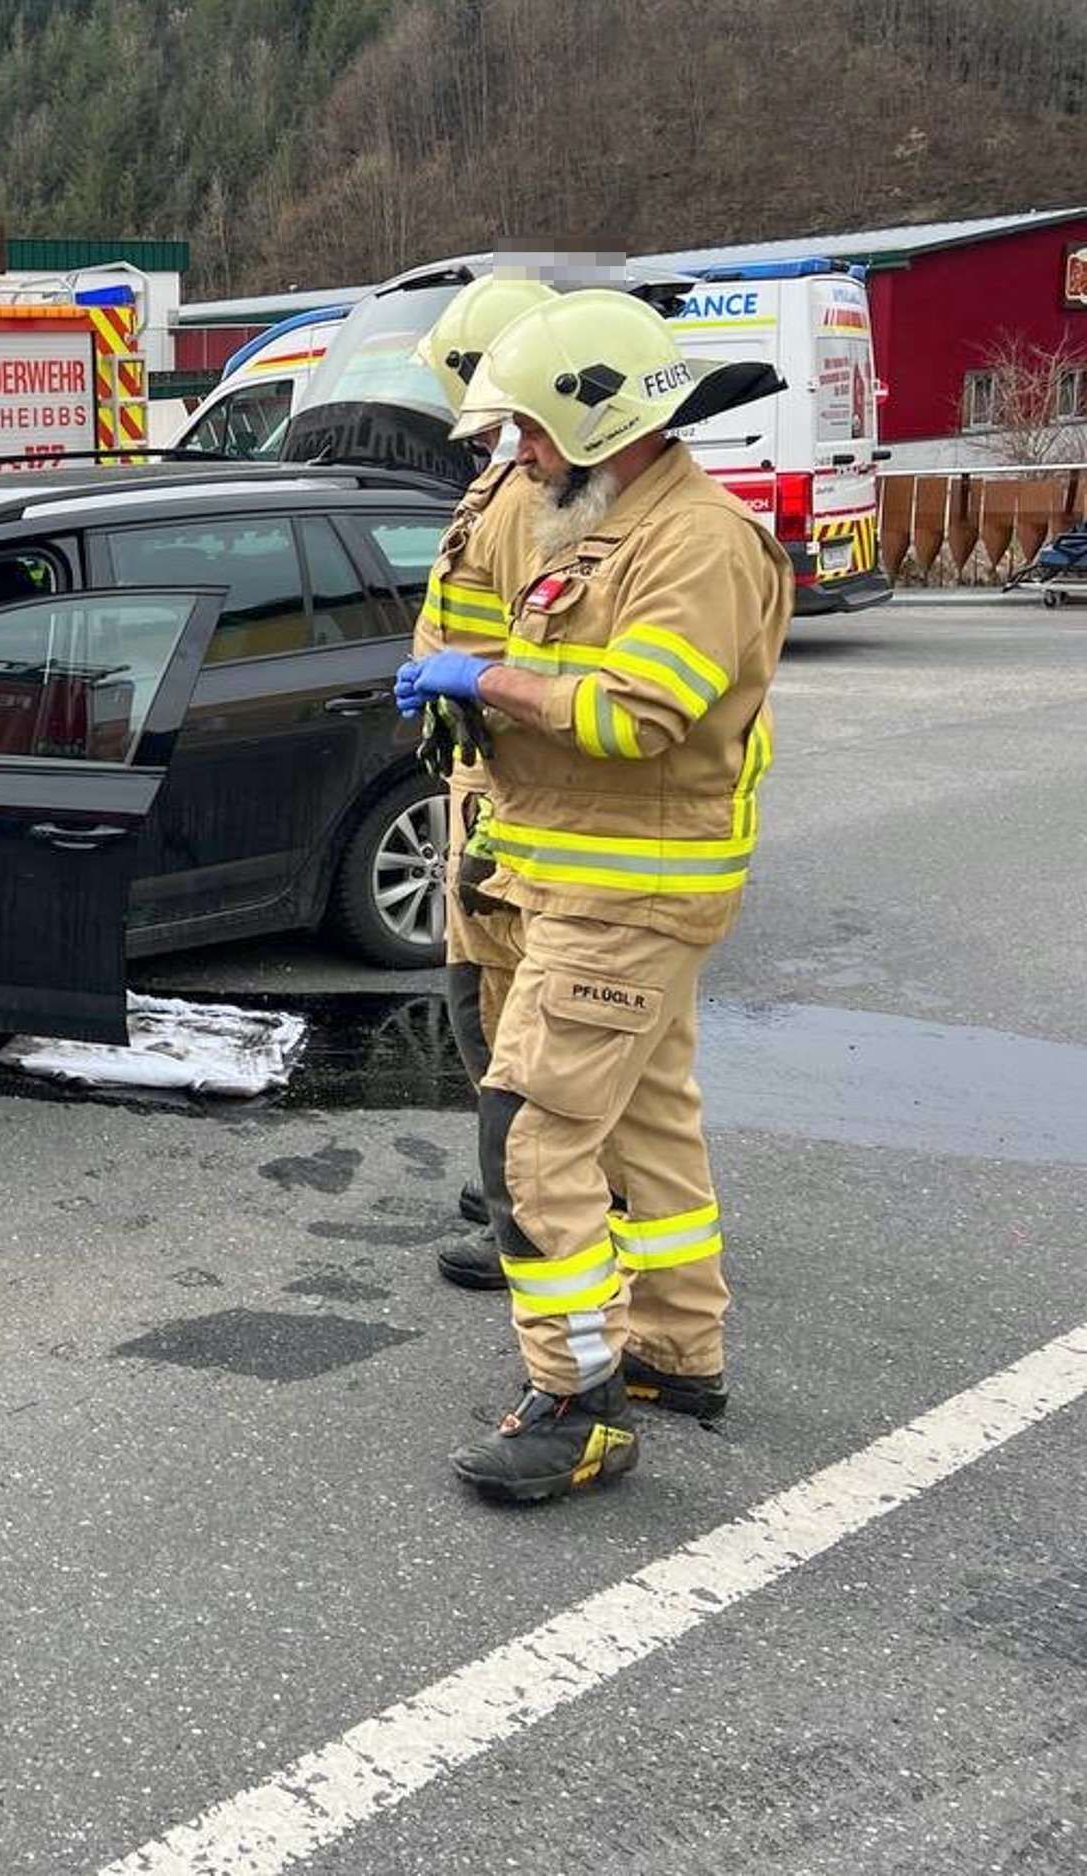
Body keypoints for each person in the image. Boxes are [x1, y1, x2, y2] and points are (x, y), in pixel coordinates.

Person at [396, 290, 790, 1504]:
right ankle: (674, 1349)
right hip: (571, 863)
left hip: (630, 884)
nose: (513, 454)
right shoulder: (592, 509)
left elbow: (636, 713)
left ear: (598, 414)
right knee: (645, 1116)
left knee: (530, 1133)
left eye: (528, 431)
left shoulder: (697, 542)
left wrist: (493, 683)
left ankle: (575, 1403)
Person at [407, 275, 557, 1287]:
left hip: (503, 787)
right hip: (476, 774)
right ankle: (509, 1182)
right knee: (479, 999)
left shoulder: (525, 504)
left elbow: (540, 662)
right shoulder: (498, 489)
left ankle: (529, 1209)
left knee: (498, 1017)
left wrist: (469, 686)